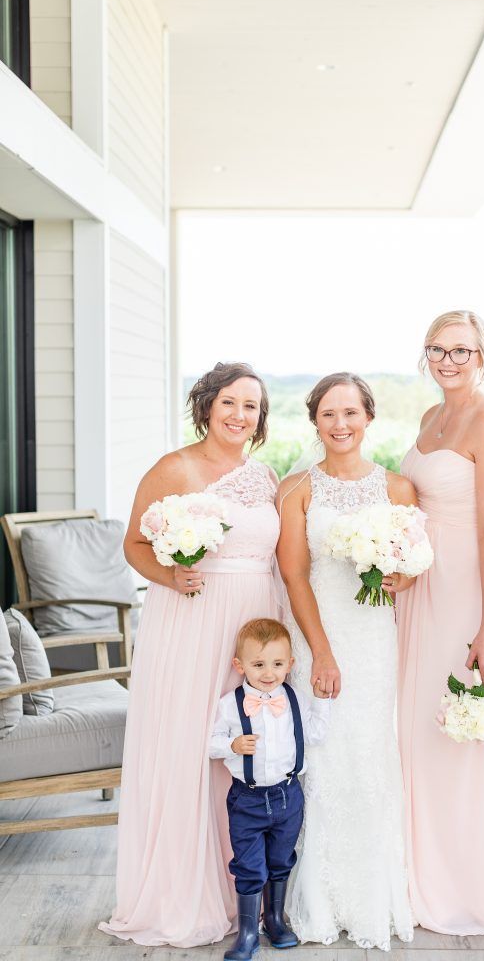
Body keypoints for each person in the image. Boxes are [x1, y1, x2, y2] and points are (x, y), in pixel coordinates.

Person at [99, 362, 280, 948]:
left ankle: (243, 891)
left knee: (250, 746)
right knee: (191, 742)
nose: (239, 415)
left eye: (251, 406)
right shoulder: (173, 467)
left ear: (261, 417)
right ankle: (184, 890)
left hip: (254, 617)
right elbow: (134, 544)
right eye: (229, 402)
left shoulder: (266, 476)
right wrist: (171, 577)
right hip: (193, 618)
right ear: (206, 405)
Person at [396, 310, 484, 934]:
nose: (447, 360)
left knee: (452, 729)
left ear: (483, 355)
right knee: (414, 723)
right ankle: (414, 866)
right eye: (436, 349)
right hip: (419, 586)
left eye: (460, 350)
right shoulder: (431, 418)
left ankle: (463, 882)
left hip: (463, 590)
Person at [276, 373, 415, 951]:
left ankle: (370, 900)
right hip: (319, 636)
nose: (340, 425)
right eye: (329, 414)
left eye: (350, 413)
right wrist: (322, 653)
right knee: (326, 760)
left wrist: (390, 568)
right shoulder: (297, 487)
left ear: (368, 418)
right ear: (315, 421)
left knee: (369, 754)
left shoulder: (399, 489)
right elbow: (292, 572)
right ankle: (319, 902)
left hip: (374, 636)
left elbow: (406, 573)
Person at [209, 618, 331, 960]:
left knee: (280, 860)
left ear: (290, 664)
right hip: (246, 799)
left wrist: (323, 702)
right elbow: (209, 742)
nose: (268, 672)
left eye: (277, 664)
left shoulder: (296, 699)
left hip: (287, 796)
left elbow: (316, 735)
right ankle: (248, 933)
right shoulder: (229, 704)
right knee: (248, 865)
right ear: (240, 665)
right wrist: (232, 744)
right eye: (258, 664)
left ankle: (275, 920)